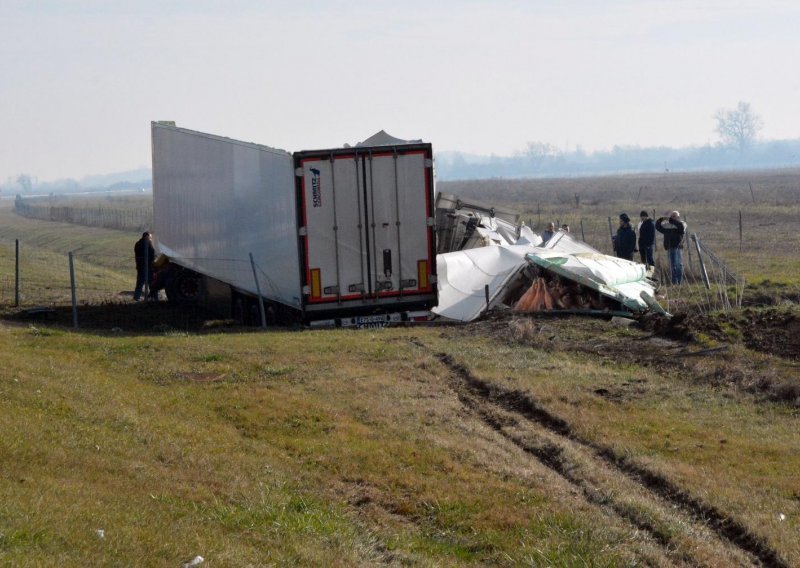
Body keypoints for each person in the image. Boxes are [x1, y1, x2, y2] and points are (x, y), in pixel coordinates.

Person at [655, 211, 687, 284]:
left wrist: (670, 220)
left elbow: (681, 228)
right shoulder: (667, 225)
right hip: (669, 247)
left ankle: (680, 281)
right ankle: (674, 282)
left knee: (678, 265)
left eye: (674, 216)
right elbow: (658, 227)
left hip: (677, 247)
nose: (673, 218)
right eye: (672, 216)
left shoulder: (682, 224)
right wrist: (661, 220)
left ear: (678, 217)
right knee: (672, 265)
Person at [133, 231, 155, 301]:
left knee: (139, 283)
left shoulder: (137, 244)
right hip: (148, 266)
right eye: (150, 237)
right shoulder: (148, 244)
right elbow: (152, 253)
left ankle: (136, 297)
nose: (151, 239)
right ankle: (153, 297)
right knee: (151, 283)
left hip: (140, 266)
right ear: (147, 237)